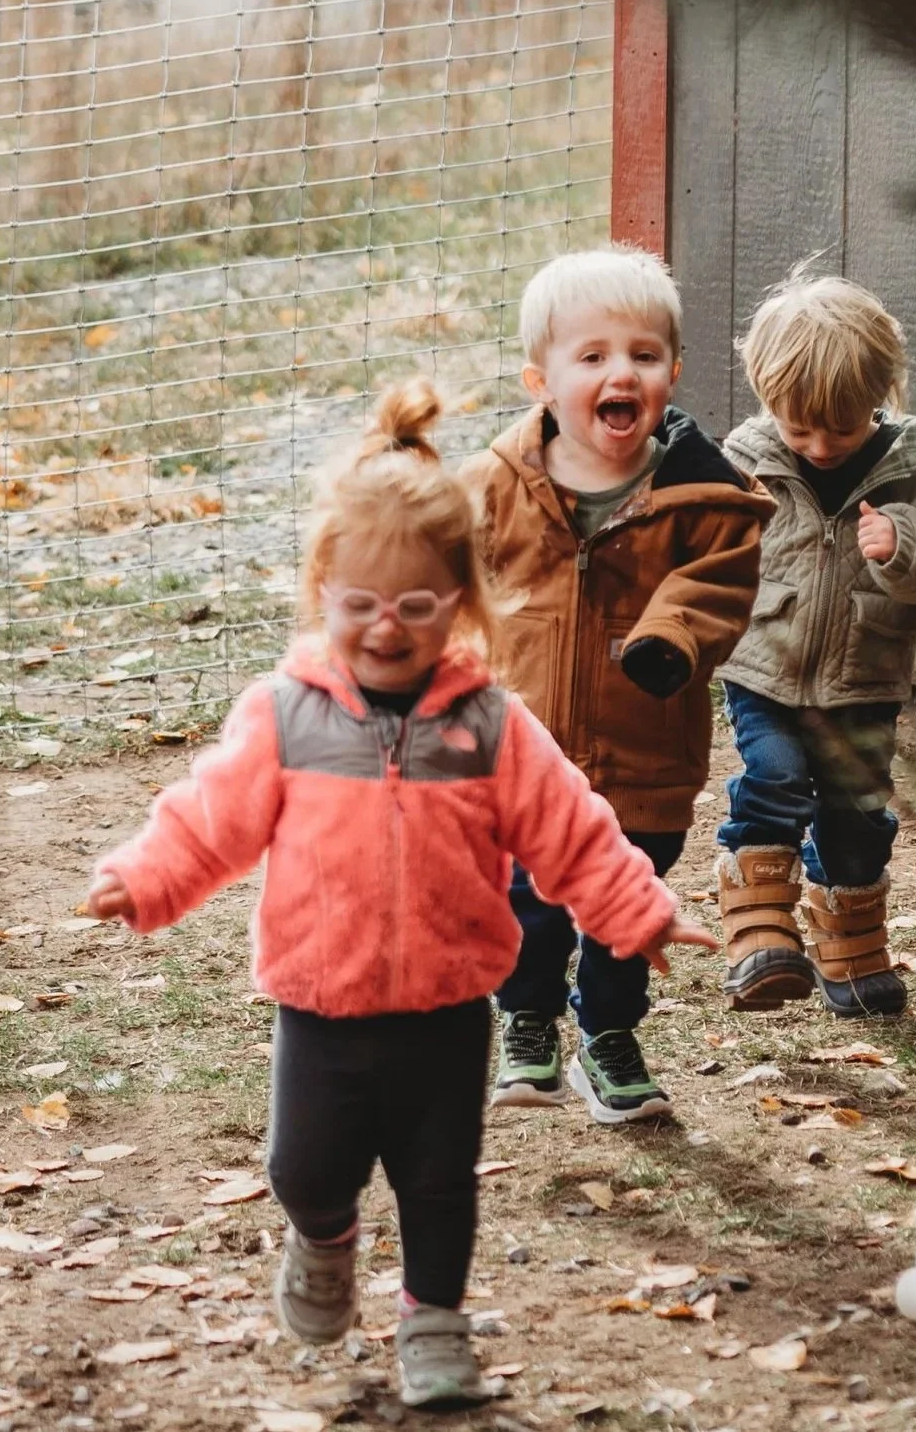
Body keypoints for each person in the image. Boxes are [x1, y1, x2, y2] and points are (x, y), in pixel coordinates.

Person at [82, 376, 714, 1406]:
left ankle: (434, 1321)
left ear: (459, 602)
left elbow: (572, 831)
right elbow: (209, 818)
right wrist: (142, 876)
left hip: (447, 1004)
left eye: (417, 607)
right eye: (361, 606)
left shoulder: (490, 726)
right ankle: (325, 1243)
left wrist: (637, 910)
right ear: (322, 588)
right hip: (319, 1001)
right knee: (304, 1168)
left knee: (437, 1183)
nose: (386, 628)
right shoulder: (284, 715)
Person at [463, 246, 773, 1120]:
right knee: (532, 902)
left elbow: (718, 581)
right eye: (591, 356)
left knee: (627, 901)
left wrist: (671, 637)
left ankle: (609, 1033)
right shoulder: (496, 482)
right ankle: (526, 1020)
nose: (620, 372)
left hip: (645, 748)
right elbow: (447, 576)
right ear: (541, 380)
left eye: (642, 354)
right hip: (527, 756)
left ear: (672, 372)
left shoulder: (705, 497)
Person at [714, 269, 916, 1016]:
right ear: (770, 402)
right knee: (772, 776)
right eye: (800, 428)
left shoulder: (914, 469)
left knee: (856, 811)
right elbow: (700, 542)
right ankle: (761, 936)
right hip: (763, 667)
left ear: (881, 396)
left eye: (843, 425)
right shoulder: (747, 465)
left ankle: (852, 950)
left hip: (863, 677)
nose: (821, 445)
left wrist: (904, 541)